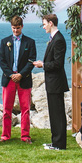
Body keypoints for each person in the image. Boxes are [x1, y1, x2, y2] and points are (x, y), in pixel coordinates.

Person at [0, 15, 37, 143]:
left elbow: (31, 61)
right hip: (8, 79)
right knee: (6, 109)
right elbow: (2, 61)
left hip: (24, 79)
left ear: (22, 27)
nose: (15, 31)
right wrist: (11, 75)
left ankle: (25, 136)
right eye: (14, 28)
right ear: (11, 27)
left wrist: (21, 74)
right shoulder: (4, 42)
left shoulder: (30, 42)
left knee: (25, 109)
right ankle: (5, 135)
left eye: (18, 28)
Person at [33, 13, 69, 150]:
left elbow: (58, 64)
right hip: (52, 82)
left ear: (51, 23)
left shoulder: (58, 39)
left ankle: (59, 144)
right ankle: (55, 142)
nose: (43, 27)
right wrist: (43, 63)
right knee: (54, 113)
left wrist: (43, 65)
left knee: (58, 113)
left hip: (56, 82)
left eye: (44, 24)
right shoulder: (54, 38)